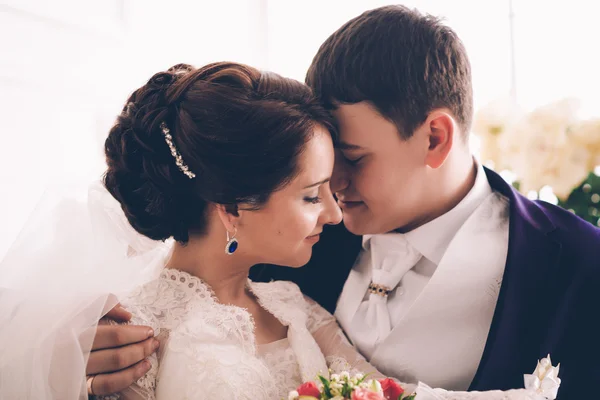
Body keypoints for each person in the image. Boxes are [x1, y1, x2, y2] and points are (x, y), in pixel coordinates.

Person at [88, 5, 599, 399]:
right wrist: (72, 365)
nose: (331, 191)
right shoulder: (280, 229)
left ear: (435, 138)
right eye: (315, 181)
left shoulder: (581, 269)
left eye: (352, 158)